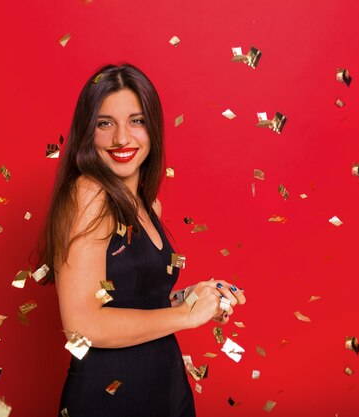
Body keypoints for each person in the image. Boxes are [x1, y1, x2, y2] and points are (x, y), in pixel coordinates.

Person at [37, 63, 246, 417]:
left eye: (137, 121)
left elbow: (137, 301)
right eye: (105, 124)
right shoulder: (88, 194)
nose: (122, 138)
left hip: (165, 385)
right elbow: (82, 328)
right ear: (88, 132)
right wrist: (184, 316)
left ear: (153, 128)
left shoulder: (150, 206)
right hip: (110, 396)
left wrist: (192, 297)